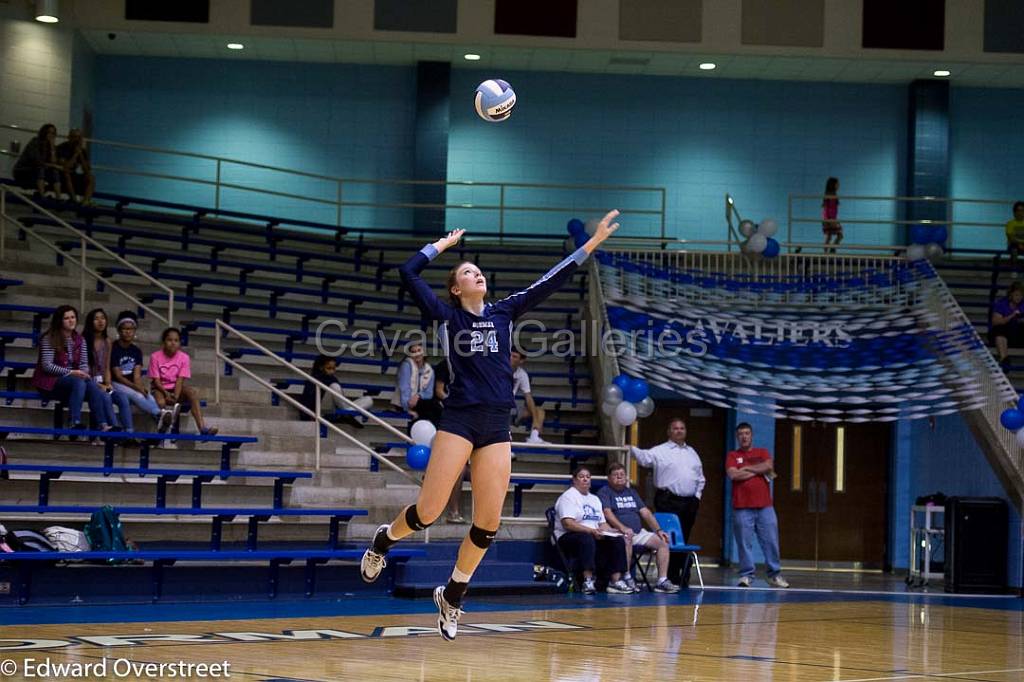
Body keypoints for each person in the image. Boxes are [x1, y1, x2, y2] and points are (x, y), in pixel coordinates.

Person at [361, 210, 620, 641]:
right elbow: (407, 271)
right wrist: (441, 247)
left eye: (478, 271)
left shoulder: (504, 312)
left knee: (487, 524)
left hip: (497, 424)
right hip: (459, 419)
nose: (476, 274)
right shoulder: (448, 317)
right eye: (467, 272)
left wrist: (592, 244)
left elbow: (550, 279)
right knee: (428, 513)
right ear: (455, 287)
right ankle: (383, 542)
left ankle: (454, 594)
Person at [629, 418, 704, 586]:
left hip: (689, 503)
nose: (679, 431)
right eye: (675, 428)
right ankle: (668, 576)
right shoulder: (660, 450)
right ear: (669, 432)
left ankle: (682, 575)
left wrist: (697, 497)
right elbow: (644, 458)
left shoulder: (692, 452)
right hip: (668, 500)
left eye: (682, 428)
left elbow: (701, 478)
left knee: (683, 537)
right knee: (669, 538)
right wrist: (631, 449)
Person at [30, 305, 113, 438]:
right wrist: (71, 372)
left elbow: (84, 363)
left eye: (73, 317)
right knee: (79, 382)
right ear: (60, 321)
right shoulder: (49, 338)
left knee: (92, 385)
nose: (71, 321)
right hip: (50, 381)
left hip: (74, 380)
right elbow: (47, 366)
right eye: (66, 318)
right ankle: (74, 421)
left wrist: (83, 372)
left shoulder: (80, 339)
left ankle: (102, 425)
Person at [597, 462, 680, 593]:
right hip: (618, 532)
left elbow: (645, 512)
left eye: (622, 474)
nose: (619, 477)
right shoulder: (604, 492)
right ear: (609, 478)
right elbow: (607, 513)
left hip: (638, 532)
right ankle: (627, 577)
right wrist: (623, 528)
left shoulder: (631, 492)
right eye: (615, 475)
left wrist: (658, 530)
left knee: (662, 542)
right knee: (627, 537)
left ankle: (662, 581)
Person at [726, 422, 789, 588]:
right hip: (742, 507)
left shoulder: (762, 452)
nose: (744, 436)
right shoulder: (732, 455)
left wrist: (746, 468)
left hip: (765, 507)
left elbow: (768, 466)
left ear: (752, 435)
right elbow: (733, 474)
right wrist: (756, 470)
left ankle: (774, 575)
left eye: (747, 433)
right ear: (737, 437)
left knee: (771, 541)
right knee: (744, 543)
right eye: (741, 434)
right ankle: (746, 575)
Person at [554, 466, 632, 595]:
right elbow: (568, 523)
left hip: (593, 535)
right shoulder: (568, 497)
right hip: (568, 536)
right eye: (581, 476)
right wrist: (591, 531)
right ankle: (588, 581)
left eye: (588, 477)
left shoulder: (594, 499)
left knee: (617, 540)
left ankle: (615, 582)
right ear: (574, 480)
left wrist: (613, 531)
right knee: (586, 538)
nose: (585, 479)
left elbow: (602, 523)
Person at [110, 311, 173, 433]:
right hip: (114, 384)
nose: (128, 332)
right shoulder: (114, 348)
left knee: (147, 395)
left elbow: (137, 376)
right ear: (119, 330)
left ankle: (162, 421)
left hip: (131, 384)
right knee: (136, 395)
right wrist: (136, 388)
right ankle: (159, 415)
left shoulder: (136, 351)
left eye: (131, 329)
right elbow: (118, 376)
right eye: (125, 328)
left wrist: (140, 387)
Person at [149, 328, 217, 436]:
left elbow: (180, 380)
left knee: (192, 393)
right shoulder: (155, 357)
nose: (173, 343)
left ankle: (202, 428)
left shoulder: (184, 358)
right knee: (161, 402)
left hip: (176, 388)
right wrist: (166, 394)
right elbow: (156, 381)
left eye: (176, 340)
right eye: (169, 340)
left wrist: (175, 396)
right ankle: (162, 428)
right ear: (164, 342)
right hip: (160, 389)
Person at [83, 308, 132, 434]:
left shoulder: (108, 342)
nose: (100, 321)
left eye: (103, 318)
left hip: (103, 383)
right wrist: (100, 386)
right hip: (89, 383)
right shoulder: (83, 341)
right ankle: (113, 430)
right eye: (96, 318)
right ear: (90, 322)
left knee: (122, 398)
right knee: (105, 396)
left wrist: (108, 383)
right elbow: (82, 370)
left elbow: (107, 366)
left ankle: (129, 433)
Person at [433, 359, 466, 524]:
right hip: (448, 419)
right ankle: (452, 511)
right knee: (457, 470)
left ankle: (489, 518)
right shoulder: (445, 365)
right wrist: (456, 405)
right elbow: (439, 390)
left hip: (469, 421)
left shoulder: (475, 365)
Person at [298, 354, 369, 428]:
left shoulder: (333, 379)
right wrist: (307, 418)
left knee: (368, 399)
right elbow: (306, 401)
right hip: (322, 412)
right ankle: (347, 414)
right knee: (334, 386)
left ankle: (346, 414)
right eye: (329, 368)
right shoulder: (313, 380)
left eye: (334, 368)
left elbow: (340, 400)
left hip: (335, 410)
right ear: (321, 367)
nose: (332, 371)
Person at [392, 342, 442, 425]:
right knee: (433, 409)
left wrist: (418, 396)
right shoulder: (406, 366)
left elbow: (429, 393)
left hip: (421, 402)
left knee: (433, 408)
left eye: (419, 350)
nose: (417, 354)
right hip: (404, 403)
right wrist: (407, 409)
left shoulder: (429, 370)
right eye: (413, 352)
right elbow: (404, 390)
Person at [511, 347, 548, 444]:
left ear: (521, 360)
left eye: (514, 356)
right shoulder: (499, 369)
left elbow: (528, 396)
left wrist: (535, 419)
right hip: (497, 406)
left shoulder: (522, 374)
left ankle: (534, 437)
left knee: (539, 411)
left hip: (512, 407)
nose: (510, 358)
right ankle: (505, 448)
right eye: (509, 355)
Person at [12, 123, 60, 196]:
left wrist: (52, 148)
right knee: (41, 169)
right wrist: (53, 165)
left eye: (53, 133)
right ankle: (42, 197)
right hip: (23, 171)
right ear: (44, 132)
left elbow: (53, 162)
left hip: (37, 172)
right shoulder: (35, 142)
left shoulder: (50, 146)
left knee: (54, 172)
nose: (51, 135)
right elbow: (36, 161)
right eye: (49, 132)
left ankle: (58, 198)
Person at [55, 129, 95, 205]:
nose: (76, 140)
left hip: (73, 176)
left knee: (91, 177)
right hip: (60, 176)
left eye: (79, 137)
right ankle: (74, 201)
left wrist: (81, 155)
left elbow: (87, 169)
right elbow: (66, 167)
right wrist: (75, 154)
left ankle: (85, 202)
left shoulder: (82, 151)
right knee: (67, 174)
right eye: (74, 137)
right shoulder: (62, 148)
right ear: (69, 137)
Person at [990, 281, 1024, 370]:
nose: (1019, 298)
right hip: (1003, 333)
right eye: (1016, 295)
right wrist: (1011, 316)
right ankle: (1004, 359)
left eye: (1021, 295)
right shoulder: (1002, 304)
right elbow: (995, 321)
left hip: (1017, 334)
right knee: (1000, 328)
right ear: (1011, 295)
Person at [822, 177, 842, 253]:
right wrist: (828, 219)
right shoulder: (829, 195)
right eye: (837, 184)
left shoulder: (834, 195)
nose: (839, 185)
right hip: (829, 219)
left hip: (832, 218)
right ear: (833, 185)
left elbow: (833, 209)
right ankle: (829, 251)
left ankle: (829, 251)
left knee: (830, 236)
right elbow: (826, 208)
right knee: (836, 235)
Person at [1005, 201, 1024, 269]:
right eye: (1018, 210)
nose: (1020, 213)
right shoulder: (1010, 223)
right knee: (1014, 249)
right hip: (1014, 245)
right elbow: (1011, 238)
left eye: (1022, 210)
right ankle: (1014, 268)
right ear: (1014, 212)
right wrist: (1020, 244)